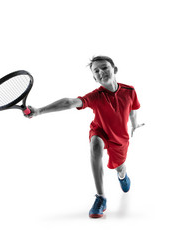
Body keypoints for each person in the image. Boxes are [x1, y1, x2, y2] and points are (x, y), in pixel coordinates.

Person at [25, 56, 144, 218]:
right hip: (100, 131)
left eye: (104, 67)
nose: (101, 72)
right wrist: (39, 111)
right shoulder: (96, 96)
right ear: (94, 78)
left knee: (120, 167)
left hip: (120, 138)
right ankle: (101, 198)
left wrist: (135, 124)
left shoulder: (130, 91)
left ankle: (122, 175)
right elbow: (69, 102)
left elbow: (133, 109)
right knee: (95, 145)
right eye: (96, 71)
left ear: (114, 70)